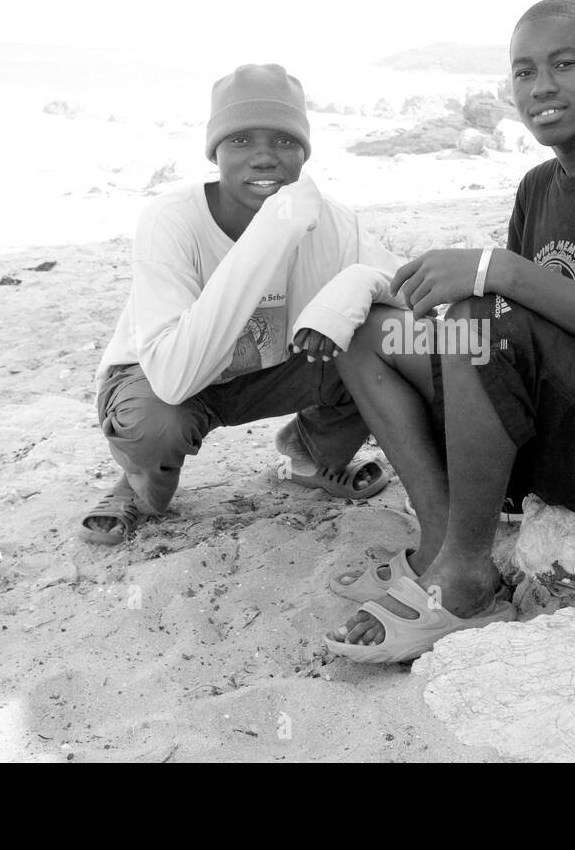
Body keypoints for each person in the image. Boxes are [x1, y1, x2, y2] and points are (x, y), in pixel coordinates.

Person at [323, 0, 575, 663]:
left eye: (563, 65)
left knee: (482, 314)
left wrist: (494, 270)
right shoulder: (539, 187)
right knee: (372, 334)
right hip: (547, 432)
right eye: (524, 72)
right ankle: (443, 536)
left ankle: (466, 577)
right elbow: (524, 332)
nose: (542, 86)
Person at [80, 63, 402, 544]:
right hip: (166, 379)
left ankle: (308, 452)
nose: (264, 157)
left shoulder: (331, 221)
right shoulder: (170, 219)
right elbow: (173, 376)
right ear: (215, 151)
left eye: (284, 141)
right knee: (154, 425)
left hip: (270, 373)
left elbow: (400, 283)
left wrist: (354, 285)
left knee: (379, 336)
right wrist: (271, 233)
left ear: (303, 153)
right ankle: (140, 482)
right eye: (240, 141)